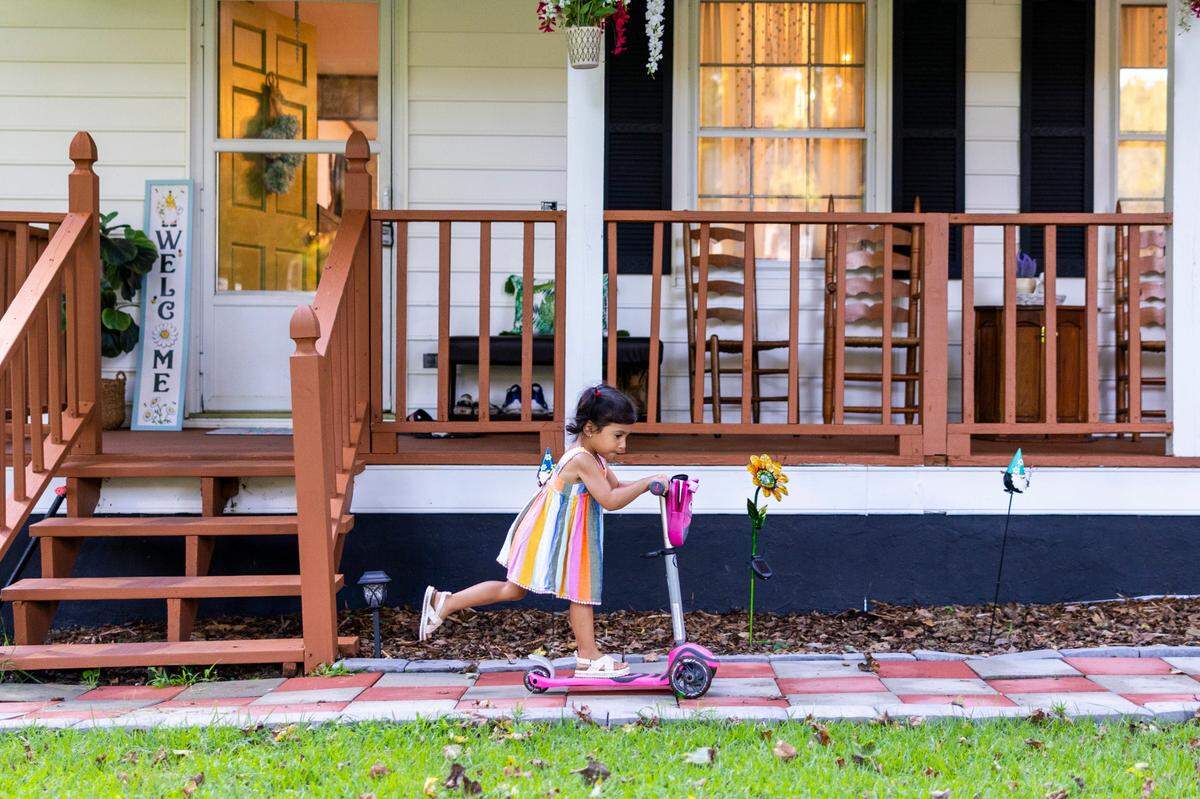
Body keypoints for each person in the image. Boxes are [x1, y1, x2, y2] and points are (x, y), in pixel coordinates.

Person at [418, 384, 666, 676]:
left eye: (626, 437)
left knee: (525, 590)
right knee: (572, 590)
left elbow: (613, 487)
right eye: (618, 436)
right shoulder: (582, 459)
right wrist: (647, 483)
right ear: (589, 428)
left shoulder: (595, 457)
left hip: (565, 536)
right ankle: (588, 655)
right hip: (547, 536)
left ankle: (447, 601)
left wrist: (651, 484)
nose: (623, 445)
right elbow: (610, 501)